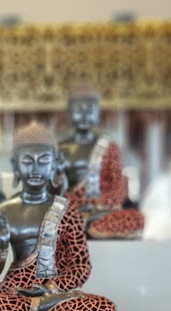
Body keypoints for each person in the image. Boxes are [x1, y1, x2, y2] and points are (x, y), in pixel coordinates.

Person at [0, 123, 117, 311]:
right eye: (27, 161)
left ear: (55, 164)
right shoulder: (2, 211)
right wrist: (1, 246)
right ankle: (42, 308)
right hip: (14, 293)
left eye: (43, 161)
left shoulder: (68, 210)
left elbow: (81, 265)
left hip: (57, 292)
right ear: (15, 166)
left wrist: (51, 289)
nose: (35, 169)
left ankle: (36, 310)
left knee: (103, 309)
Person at [58, 85, 144, 239]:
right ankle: (85, 228)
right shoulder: (59, 149)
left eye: (90, 109)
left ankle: (88, 229)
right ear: (68, 112)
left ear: (98, 113)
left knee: (137, 219)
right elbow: (53, 189)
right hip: (69, 211)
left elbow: (118, 188)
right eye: (79, 109)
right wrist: (74, 201)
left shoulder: (108, 147)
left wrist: (98, 204)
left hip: (99, 212)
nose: (85, 114)